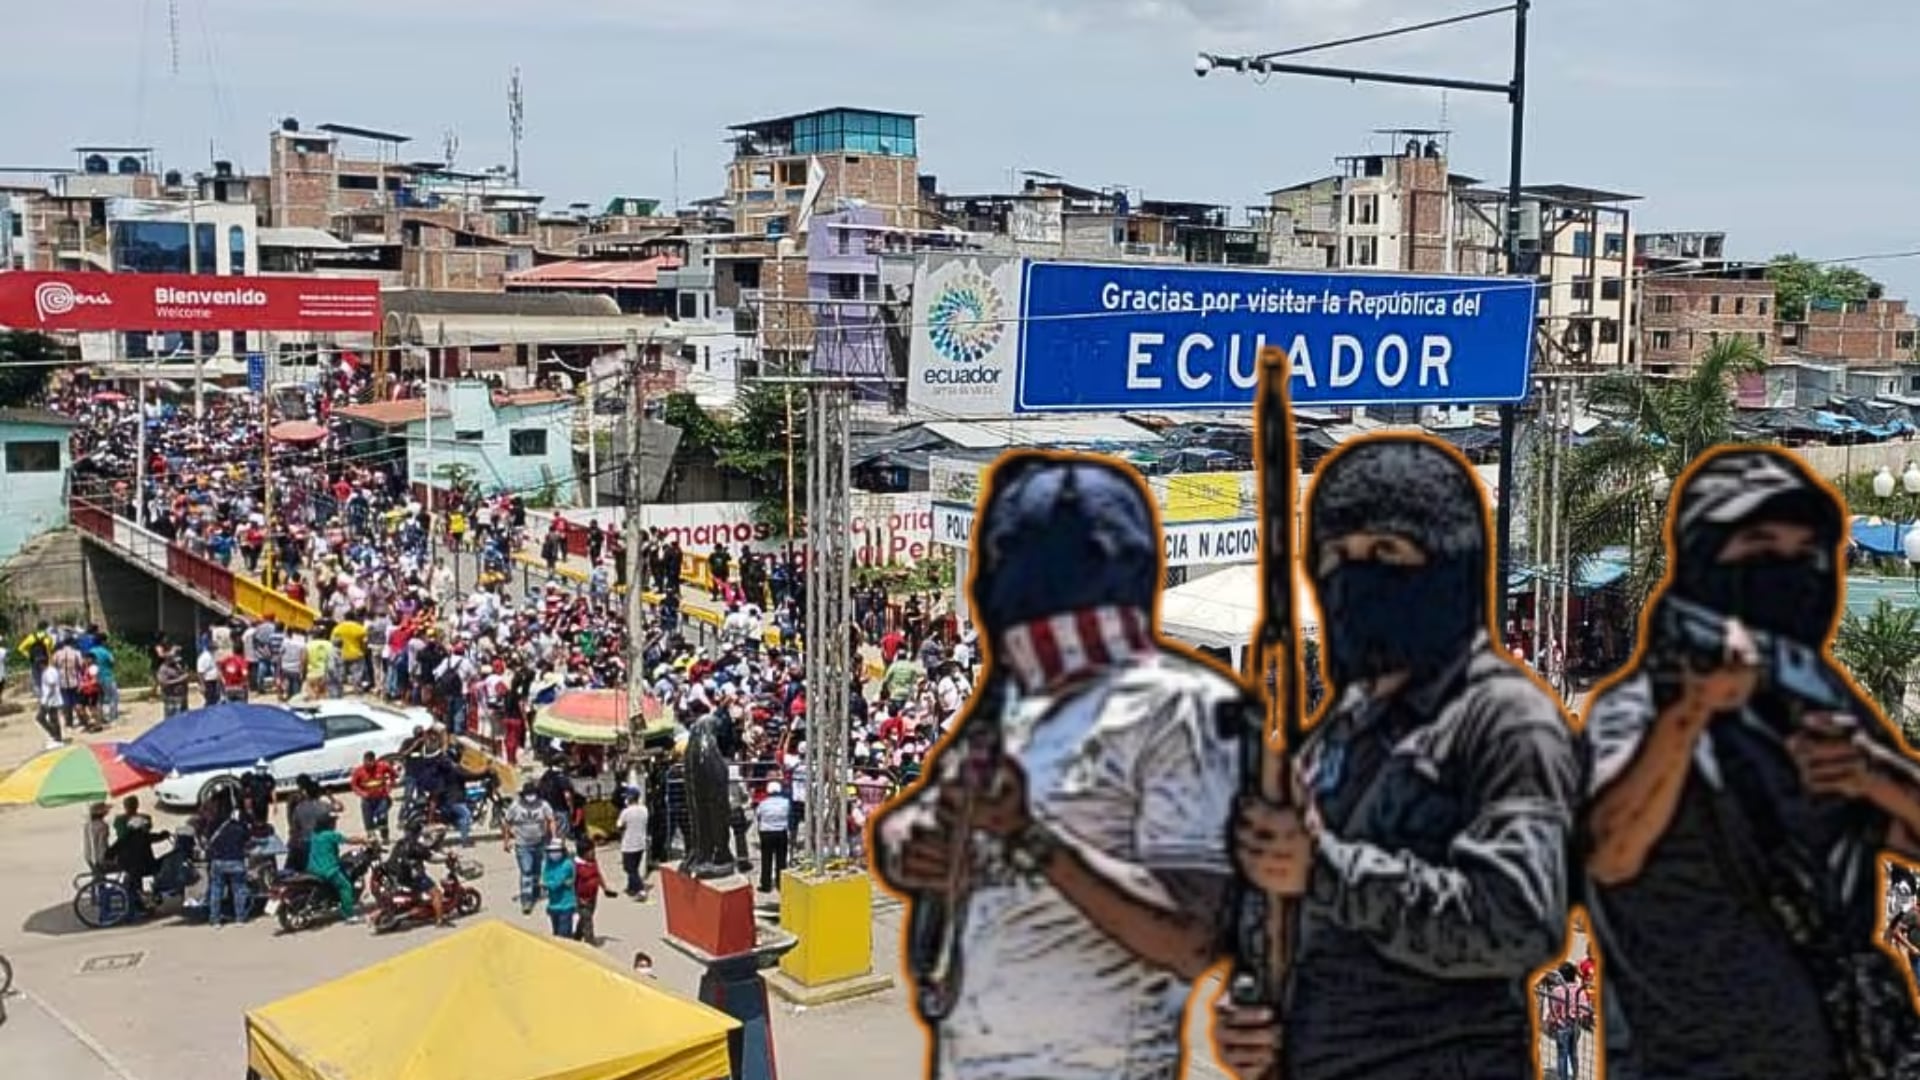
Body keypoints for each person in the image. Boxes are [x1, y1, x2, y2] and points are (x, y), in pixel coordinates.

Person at [1212, 436, 1580, 1080]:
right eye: (1339, 557)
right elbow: (1287, 912)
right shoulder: (1340, 729)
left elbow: (1518, 918)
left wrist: (1325, 868)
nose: (1358, 579)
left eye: (1386, 553)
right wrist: (1255, 1006)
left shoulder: (1504, 719)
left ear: (1446, 565)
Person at [874, 453, 1242, 1080]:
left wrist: (1034, 840)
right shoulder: (1016, 701)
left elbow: (1189, 939)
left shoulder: (1189, 715)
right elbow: (912, 830)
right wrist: (911, 843)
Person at [1582, 447, 1920, 1079]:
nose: (1788, 573)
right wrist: (1687, 718)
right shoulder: (1639, 708)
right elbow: (1606, 855)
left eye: (1803, 552)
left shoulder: (1813, 694)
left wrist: (1872, 774)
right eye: (1762, 546)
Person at [503, 784, 557, 915]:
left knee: (537, 869)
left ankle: (536, 888)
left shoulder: (543, 805)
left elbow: (551, 820)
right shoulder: (516, 806)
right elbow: (506, 822)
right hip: (522, 844)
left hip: (540, 842)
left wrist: (554, 837)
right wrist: (506, 840)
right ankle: (526, 899)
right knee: (526, 871)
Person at [386, 819, 446, 926]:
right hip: (413, 876)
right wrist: (446, 858)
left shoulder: (400, 843)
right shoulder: (416, 846)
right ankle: (440, 920)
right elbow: (433, 858)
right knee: (436, 893)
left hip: (398, 876)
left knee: (420, 893)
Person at [305, 814, 364, 924]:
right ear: (328, 824)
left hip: (313, 868)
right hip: (328, 869)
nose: (334, 823)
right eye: (332, 821)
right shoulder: (330, 835)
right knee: (345, 886)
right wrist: (363, 840)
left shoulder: (315, 834)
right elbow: (349, 840)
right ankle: (349, 915)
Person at [203, 805, 254, 927]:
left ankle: (215, 920)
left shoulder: (218, 827)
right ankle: (239, 918)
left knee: (216, 890)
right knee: (239, 890)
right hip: (236, 862)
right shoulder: (241, 828)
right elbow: (249, 841)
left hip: (218, 862)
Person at [1541, 960, 1592, 1080]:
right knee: (1573, 1053)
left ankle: (1563, 1078)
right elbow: (1585, 1010)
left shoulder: (1557, 991)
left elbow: (1553, 1011)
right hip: (1575, 1026)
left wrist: (1550, 1023)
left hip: (1562, 1027)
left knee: (1562, 1055)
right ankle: (1575, 1076)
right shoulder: (1580, 990)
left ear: (1561, 976)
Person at [572, 838, 616, 945]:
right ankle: (590, 943)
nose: (593, 853)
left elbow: (597, 875)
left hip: (592, 896)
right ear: (583, 852)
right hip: (581, 899)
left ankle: (577, 936)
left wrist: (605, 888)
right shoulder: (575, 865)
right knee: (588, 922)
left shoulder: (593, 861)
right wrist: (577, 899)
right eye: (591, 851)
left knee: (587, 917)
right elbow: (572, 885)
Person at [350, 751, 398, 842]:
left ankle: (385, 837)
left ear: (374, 760)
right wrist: (361, 793)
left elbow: (393, 774)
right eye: (366, 762)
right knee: (368, 821)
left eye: (371, 762)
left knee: (382, 818)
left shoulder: (383, 766)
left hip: (381, 798)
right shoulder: (358, 771)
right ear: (363, 761)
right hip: (367, 800)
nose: (369, 765)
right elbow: (354, 785)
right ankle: (372, 839)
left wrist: (390, 786)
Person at [755, 780, 792, 894]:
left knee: (766, 859)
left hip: (766, 833)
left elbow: (758, 816)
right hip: (781, 832)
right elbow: (789, 815)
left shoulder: (763, 803)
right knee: (781, 859)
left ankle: (766, 884)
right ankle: (780, 883)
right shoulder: (786, 803)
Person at [616, 786, 651, 899]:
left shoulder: (625, 812)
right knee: (634, 867)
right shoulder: (644, 810)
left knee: (629, 869)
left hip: (629, 844)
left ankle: (640, 889)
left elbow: (619, 826)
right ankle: (631, 887)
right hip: (641, 843)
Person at [542, 837, 578, 938]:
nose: (553, 853)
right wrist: (548, 883)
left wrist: (547, 884)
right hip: (553, 905)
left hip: (566, 905)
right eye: (551, 851)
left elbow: (554, 884)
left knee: (564, 935)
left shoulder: (567, 864)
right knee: (556, 934)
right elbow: (545, 879)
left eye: (556, 851)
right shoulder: (548, 864)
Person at [35, 657, 64, 747]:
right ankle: (56, 736)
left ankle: (55, 736)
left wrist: (45, 701)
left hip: (50, 700)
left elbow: (51, 686)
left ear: (42, 664)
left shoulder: (49, 672)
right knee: (53, 718)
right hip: (51, 699)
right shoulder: (50, 670)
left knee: (41, 717)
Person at [239, 759, 277, 827]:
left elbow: (272, 790)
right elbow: (247, 798)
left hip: (264, 804)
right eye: (259, 768)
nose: (261, 770)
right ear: (256, 768)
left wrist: (275, 804)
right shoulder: (252, 780)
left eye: (263, 768)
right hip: (255, 805)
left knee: (263, 822)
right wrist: (249, 810)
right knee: (255, 823)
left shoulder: (269, 778)